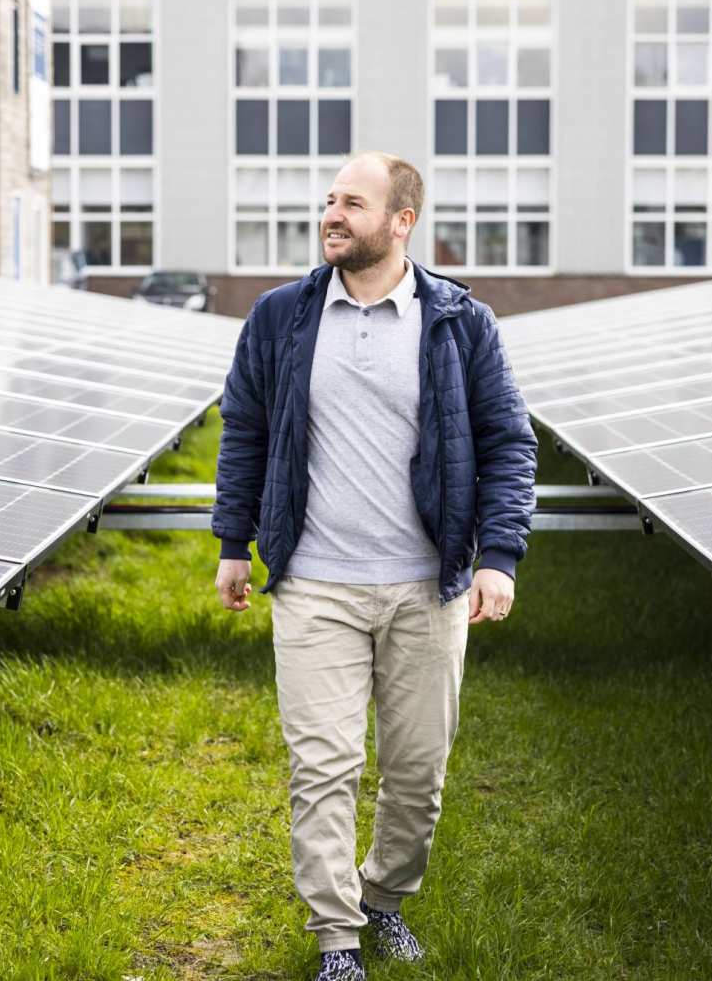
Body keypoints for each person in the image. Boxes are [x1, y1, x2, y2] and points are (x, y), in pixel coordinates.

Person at [212, 150, 538, 981]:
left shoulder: (461, 323)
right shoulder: (281, 317)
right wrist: (231, 544)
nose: (331, 214)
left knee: (418, 770)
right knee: (323, 765)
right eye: (328, 200)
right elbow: (245, 430)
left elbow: (508, 443)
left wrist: (497, 556)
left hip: (427, 587)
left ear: (401, 222)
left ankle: (384, 897)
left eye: (352, 203)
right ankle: (338, 941)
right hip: (315, 582)